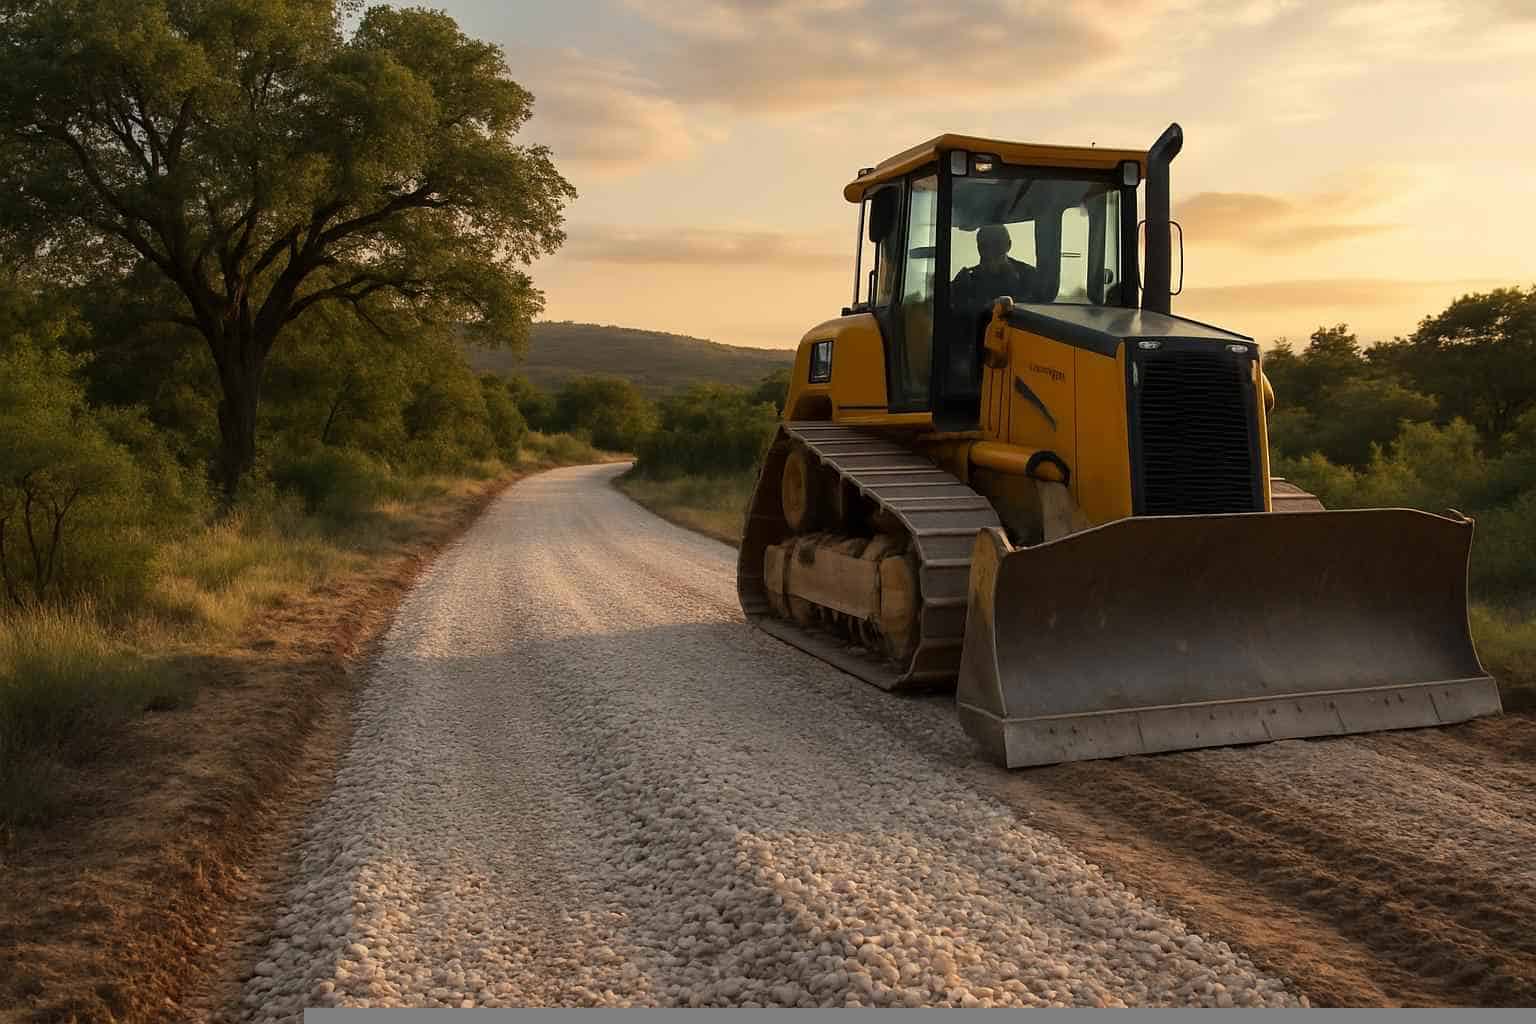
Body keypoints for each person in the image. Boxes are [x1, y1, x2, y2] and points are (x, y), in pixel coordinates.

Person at [951, 223, 1039, 315]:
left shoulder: (1028, 276)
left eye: (997, 244)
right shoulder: (966, 280)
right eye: (984, 246)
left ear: (1008, 245)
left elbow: (1037, 310)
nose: (990, 251)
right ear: (978, 248)